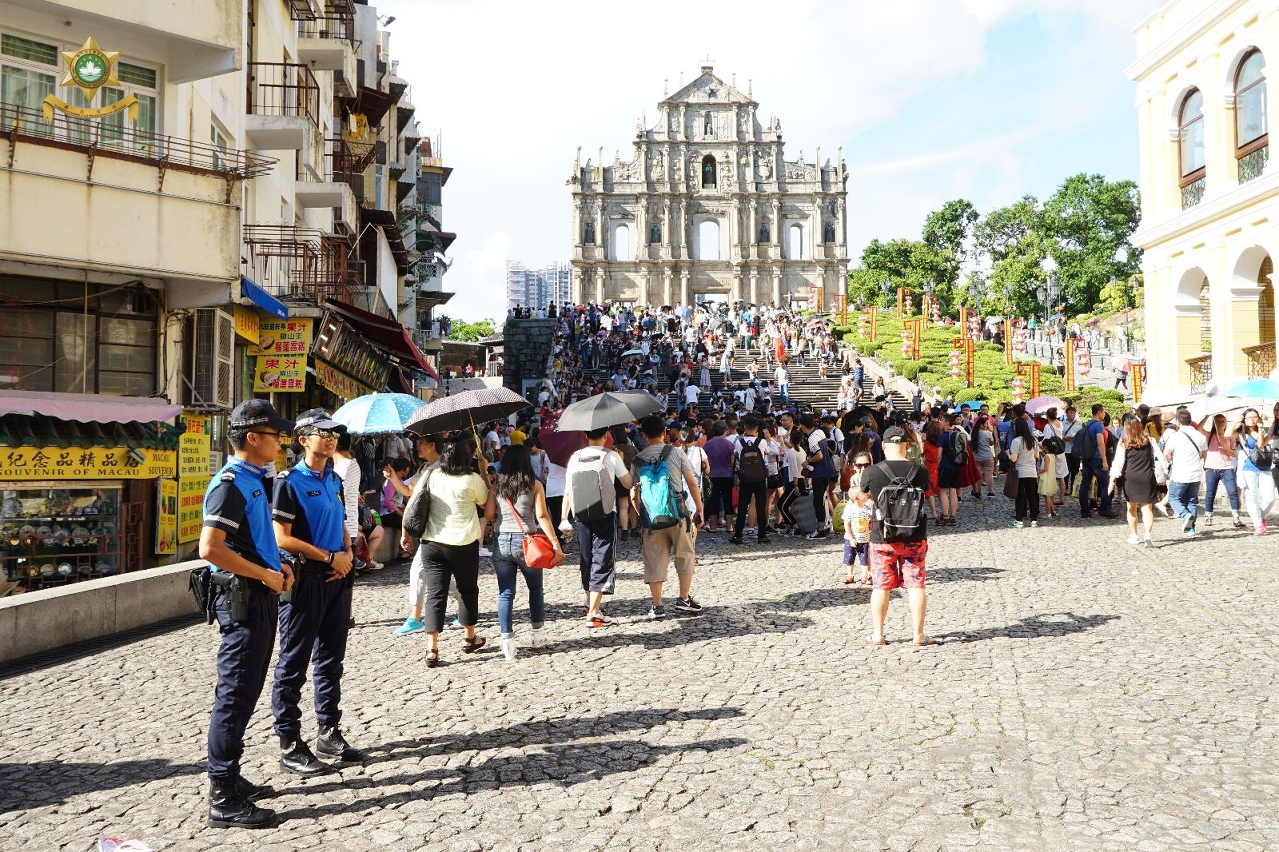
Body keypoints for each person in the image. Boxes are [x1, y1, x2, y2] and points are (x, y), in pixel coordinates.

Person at [200, 399, 295, 829]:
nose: (281, 442)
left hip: (261, 592)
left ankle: (232, 778)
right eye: (275, 435)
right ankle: (222, 795)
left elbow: (253, 538)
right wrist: (264, 574)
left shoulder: (255, 478)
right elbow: (211, 549)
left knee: (248, 690)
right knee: (235, 695)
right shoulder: (231, 482)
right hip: (243, 598)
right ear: (252, 438)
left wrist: (280, 566)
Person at [270, 409, 361, 776]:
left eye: (334, 433)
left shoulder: (334, 480)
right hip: (305, 579)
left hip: (338, 577)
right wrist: (329, 557)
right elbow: (282, 537)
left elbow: (340, 522)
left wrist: (348, 555)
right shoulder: (288, 482)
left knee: (330, 659)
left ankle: (328, 729)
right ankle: (289, 742)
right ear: (303, 438)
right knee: (293, 663)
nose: (331, 437)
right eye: (323, 433)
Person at [400, 435, 490, 665]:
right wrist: (485, 473)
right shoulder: (472, 479)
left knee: (436, 594)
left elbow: (413, 501)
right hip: (463, 543)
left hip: (433, 544)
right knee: (468, 590)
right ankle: (470, 638)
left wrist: (404, 532)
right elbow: (486, 504)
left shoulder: (432, 475)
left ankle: (432, 649)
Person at [482, 445, 561, 660]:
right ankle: (537, 636)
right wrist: (555, 543)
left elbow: (489, 513)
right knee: (535, 588)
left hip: (502, 542)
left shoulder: (497, 485)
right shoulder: (534, 484)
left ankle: (507, 642)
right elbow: (542, 516)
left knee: (506, 593)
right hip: (527, 542)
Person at [860, 427, 935, 647]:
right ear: (906, 446)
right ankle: (918, 635)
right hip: (915, 535)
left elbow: (864, 494)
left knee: (881, 586)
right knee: (916, 585)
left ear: (882, 446)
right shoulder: (920, 471)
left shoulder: (872, 471)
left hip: (883, 537)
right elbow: (926, 490)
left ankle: (878, 634)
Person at [630, 415, 704, 618]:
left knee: (654, 559)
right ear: (664, 432)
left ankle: (657, 606)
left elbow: (634, 493)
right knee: (685, 554)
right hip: (678, 513)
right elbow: (691, 482)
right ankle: (683, 599)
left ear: (644, 435)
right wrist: (699, 508)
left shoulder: (637, 459)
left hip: (651, 518)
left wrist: (641, 513)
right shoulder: (676, 453)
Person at [564, 428, 634, 628]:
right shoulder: (611, 456)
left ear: (586, 436)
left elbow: (568, 490)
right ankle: (594, 613)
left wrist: (563, 517)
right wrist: (622, 460)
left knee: (586, 557)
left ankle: (589, 603)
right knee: (602, 558)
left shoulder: (574, 457)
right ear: (605, 437)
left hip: (581, 514)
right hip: (605, 513)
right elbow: (628, 483)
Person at [394, 433, 443, 636]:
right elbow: (408, 492)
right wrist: (393, 477)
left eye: (421, 443)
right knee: (440, 574)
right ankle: (464, 612)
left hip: (438, 528)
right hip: (429, 530)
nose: (417, 447)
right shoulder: (424, 468)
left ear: (432, 445)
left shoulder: (442, 469)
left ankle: (415, 618)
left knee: (420, 571)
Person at [1109, 415, 1157, 548]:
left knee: (1132, 508)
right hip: (1147, 476)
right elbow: (1159, 458)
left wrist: (1112, 480)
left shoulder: (1124, 442)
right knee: (1147, 509)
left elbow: (1118, 463)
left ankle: (1134, 535)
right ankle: (1147, 534)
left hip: (1131, 478)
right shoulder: (1150, 440)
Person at [1196, 413, 1244, 529]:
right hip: (1211, 468)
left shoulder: (1230, 436)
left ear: (1225, 423)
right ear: (1214, 423)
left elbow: (1234, 453)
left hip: (1227, 467)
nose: (1220, 423)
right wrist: (1206, 416)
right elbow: (1198, 429)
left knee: (1232, 492)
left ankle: (1236, 516)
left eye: (1222, 421)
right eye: (1217, 421)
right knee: (1210, 494)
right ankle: (1208, 516)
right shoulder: (1209, 435)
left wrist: (1225, 447)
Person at [1164, 409, 1207, 535]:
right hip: (1195, 473)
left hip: (1180, 473)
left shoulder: (1175, 436)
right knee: (1191, 501)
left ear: (1178, 422)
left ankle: (1185, 515)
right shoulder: (1200, 436)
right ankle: (1190, 528)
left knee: (1173, 498)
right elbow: (1204, 454)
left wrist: (1172, 460)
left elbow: (1166, 453)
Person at [730, 416, 770, 544]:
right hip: (759, 478)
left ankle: (738, 535)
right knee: (760, 506)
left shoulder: (739, 442)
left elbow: (736, 457)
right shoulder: (761, 442)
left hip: (745, 478)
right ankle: (762, 535)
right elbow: (767, 455)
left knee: (742, 507)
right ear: (757, 428)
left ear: (745, 427)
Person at [1236, 408, 1275, 535]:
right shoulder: (1241, 433)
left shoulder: (1262, 430)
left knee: (1270, 498)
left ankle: (1261, 517)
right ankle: (1257, 524)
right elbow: (1227, 434)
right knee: (1251, 497)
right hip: (1249, 467)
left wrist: (1266, 423)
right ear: (1245, 419)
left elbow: (1261, 444)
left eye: (1255, 416)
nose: (1253, 419)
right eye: (1250, 417)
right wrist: (1237, 420)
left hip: (1265, 466)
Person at [841, 452, 874, 585]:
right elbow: (853, 495)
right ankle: (854, 574)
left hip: (870, 511)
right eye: (859, 465)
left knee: (869, 547)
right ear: (854, 466)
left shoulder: (874, 477)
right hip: (858, 512)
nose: (863, 468)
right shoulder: (854, 478)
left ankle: (869, 573)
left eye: (866, 465)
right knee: (854, 551)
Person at [1077, 404, 1115, 519]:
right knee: (1105, 484)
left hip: (1087, 457)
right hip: (1097, 458)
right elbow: (1100, 443)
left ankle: (1084, 510)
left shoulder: (1087, 424)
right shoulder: (1098, 425)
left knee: (1085, 484)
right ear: (1099, 413)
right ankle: (1104, 508)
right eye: (1103, 412)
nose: (1104, 414)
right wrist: (1104, 460)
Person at [1007, 417, 1042, 528]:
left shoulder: (1016, 441)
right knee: (1032, 495)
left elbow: (1013, 458)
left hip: (1020, 471)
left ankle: (1019, 519)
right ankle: (1034, 519)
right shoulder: (1033, 440)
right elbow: (1037, 456)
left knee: (1020, 496)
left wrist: (1007, 453)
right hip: (1032, 471)